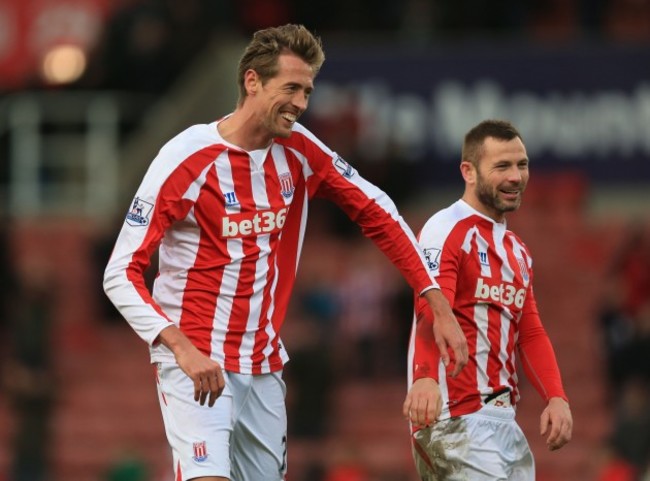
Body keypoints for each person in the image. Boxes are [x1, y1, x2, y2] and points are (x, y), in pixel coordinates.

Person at [103, 24, 467, 481]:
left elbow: (378, 210)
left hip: (263, 363)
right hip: (196, 359)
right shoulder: (185, 158)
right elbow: (119, 273)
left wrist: (435, 298)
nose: (300, 103)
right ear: (252, 81)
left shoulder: (298, 150)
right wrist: (179, 347)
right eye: (291, 88)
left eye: (308, 91)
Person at [402, 119, 573, 480]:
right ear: (469, 171)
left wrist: (556, 396)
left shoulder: (518, 251)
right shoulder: (445, 228)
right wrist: (425, 376)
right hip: (455, 418)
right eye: (502, 166)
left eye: (521, 165)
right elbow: (432, 311)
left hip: (503, 421)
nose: (516, 177)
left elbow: (530, 333)